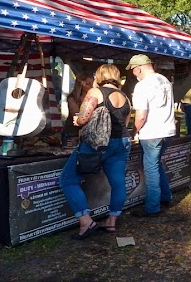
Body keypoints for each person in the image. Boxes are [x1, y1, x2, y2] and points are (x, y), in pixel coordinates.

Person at [60, 64, 131, 238]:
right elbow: (126, 123)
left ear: (99, 76)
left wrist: (78, 121)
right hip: (121, 142)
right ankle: (112, 221)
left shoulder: (95, 93)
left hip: (98, 143)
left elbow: (83, 118)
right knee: (118, 182)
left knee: (67, 180)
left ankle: (86, 221)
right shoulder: (125, 97)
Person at [128, 54, 176, 218]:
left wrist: (133, 132)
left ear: (139, 68)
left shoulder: (142, 85)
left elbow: (141, 115)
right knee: (155, 165)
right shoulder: (164, 80)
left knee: (151, 169)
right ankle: (165, 196)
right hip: (167, 130)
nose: (134, 74)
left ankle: (152, 207)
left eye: (133, 70)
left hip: (152, 132)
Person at [63, 72, 94, 146]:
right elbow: (76, 114)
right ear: (81, 84)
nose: (91, 87)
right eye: (88, 84)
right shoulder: (73, 97)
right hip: (73, 133)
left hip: (88, 133)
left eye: (93, 84)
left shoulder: (94, 97)